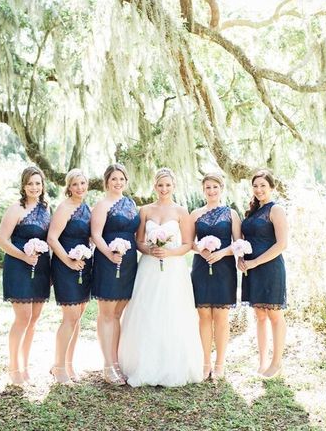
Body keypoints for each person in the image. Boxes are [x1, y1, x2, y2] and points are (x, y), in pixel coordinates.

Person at [118, 168, 203, 387]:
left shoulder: (182, 211)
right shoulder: (145, 210)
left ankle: (173, 365)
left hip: (173, 267)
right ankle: (143, 364)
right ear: (154, 186)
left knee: (172, 310)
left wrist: (169, 252)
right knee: (147, 309)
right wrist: (149, 250)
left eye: (168, 185)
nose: (164, 189)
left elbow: (187, 244)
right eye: (160, 185)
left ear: (174, 186)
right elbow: (138, 241)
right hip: (149, 267)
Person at [0, 166, 51, 385]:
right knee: (23, 318)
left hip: (40, 267)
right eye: (30, 184)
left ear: (43, 185)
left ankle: (25, 365)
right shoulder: (16, 209)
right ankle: (13, 367)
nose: (34, 187)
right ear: (23, 186)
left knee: (34, 319)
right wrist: (23, 256)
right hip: (19, 266)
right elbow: (2, 240)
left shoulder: (46, 209)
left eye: (38, 183)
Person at [90, 164, 140, 385]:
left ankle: (116, 361)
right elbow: (95, 235)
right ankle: (108, 364)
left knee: (118, 312)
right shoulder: (102, 205)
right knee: (107, 313)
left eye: (121, 179)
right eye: (114, 179)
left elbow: (137, 234)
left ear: (126, 181)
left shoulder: (131, 204)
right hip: (109, 260)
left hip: (128, 261)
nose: (118, 183)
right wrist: (110, 254)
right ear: (106, 182)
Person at [190, 173, 241, 380]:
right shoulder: (195, 214)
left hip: (224, 268)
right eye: (207, 188)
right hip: (201, 266)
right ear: (203, 190)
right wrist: (200, 249)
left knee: (220, 317)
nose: (211, 191)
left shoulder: (231, 214)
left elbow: (238, 244)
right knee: (203, 316)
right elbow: (188, 242)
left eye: (215, 187)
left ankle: (220, 363)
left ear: (221, 189)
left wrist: (222, 252)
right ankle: (205, 362)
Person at [237, 169, 288, 379]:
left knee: (274, 315)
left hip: (269, 267)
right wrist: (241, 257)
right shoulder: (251, 212)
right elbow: (244, 239)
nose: (259, 190)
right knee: (259, 316)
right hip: (250, 269)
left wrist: (256, 262)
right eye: (255, 186)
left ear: (271, 187)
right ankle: (262, 361)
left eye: (263, 186)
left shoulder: (275, 210)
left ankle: (276, 362)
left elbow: (282, 244)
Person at [47, 169, 92, 384]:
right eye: (75, 184)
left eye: (83, 183)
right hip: (66, 266)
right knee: (70, 317)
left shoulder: (86, 208)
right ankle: (58, 367)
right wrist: (69, 261)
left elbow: (91, 236)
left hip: (84, 266)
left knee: (78, 317)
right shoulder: (64, 208)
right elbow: (52, 239)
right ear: (69, 187)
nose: (80, 188)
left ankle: (69, 364)